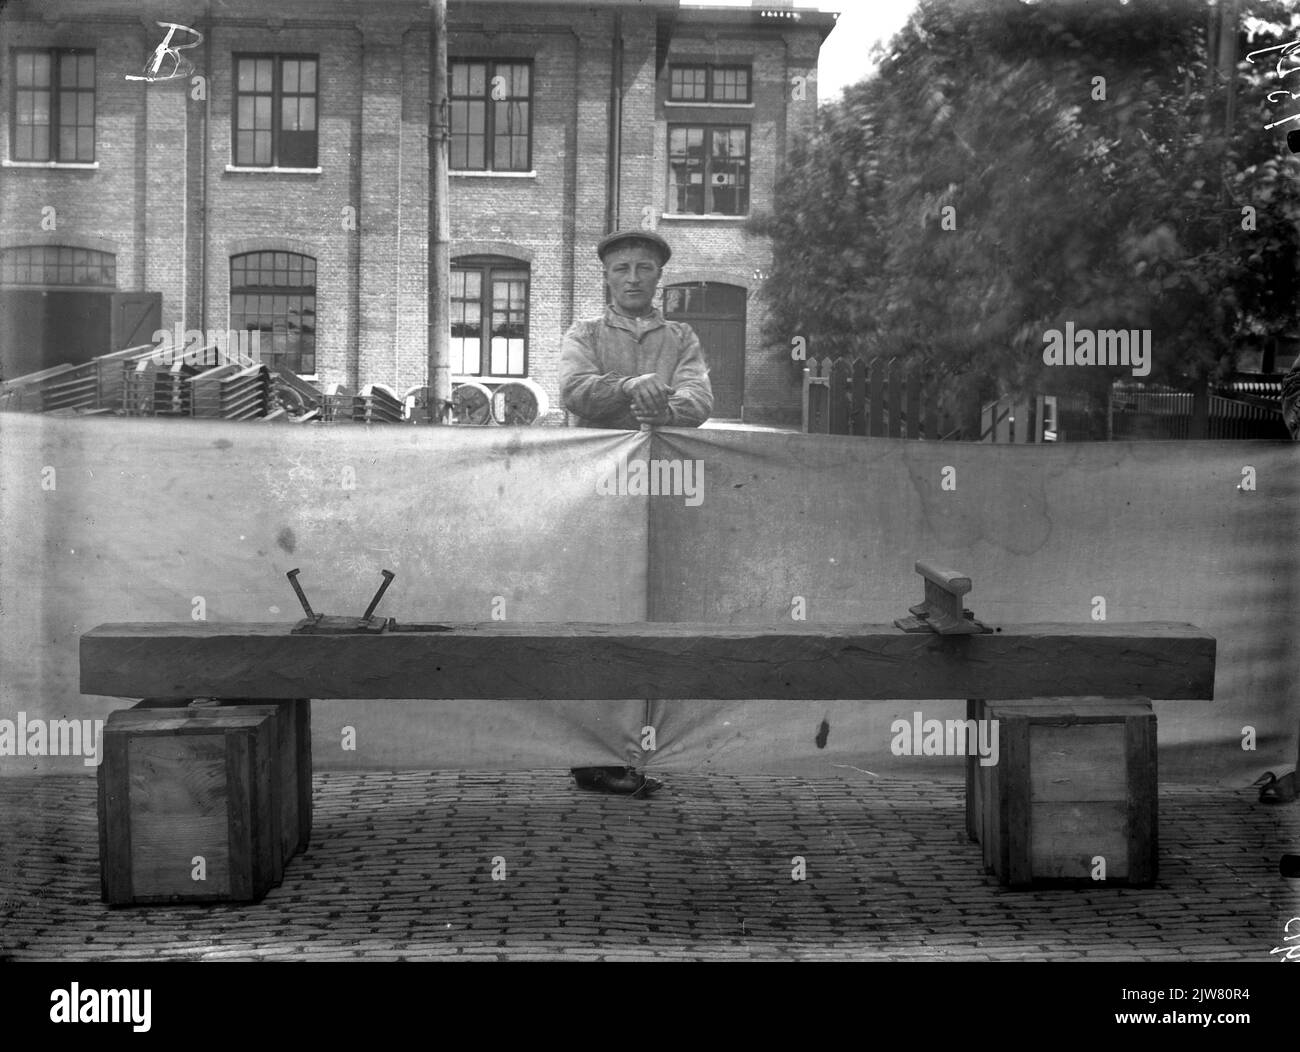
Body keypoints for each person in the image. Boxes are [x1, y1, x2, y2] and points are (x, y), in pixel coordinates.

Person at [558, 228, 714, 796]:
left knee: (655, 613)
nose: (632, 278)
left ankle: (646, 747)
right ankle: (593, 753)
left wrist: (657, 398)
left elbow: (698, 401)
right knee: (599, 616)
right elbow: (575, 390)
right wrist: (632, 386)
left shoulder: (682, 336)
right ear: (606, 276)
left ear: (658, 277)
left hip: (661, 493)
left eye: (643, 269)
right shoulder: (586, 332)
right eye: (621, 268)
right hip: (595, 497)